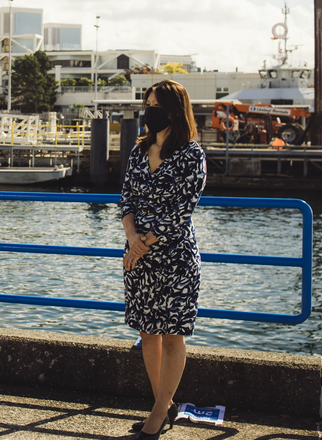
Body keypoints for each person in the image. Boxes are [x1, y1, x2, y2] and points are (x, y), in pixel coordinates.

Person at [119, 79, 206, 440]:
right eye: (147, 103)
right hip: (139, 258)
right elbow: (126, 200)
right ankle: (162, 403)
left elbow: (182, 210)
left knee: (171, 335)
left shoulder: (191, 154)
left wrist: (144, 242)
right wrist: (131, 238)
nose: (149, 111)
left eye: (156, 105)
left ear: (174, 110)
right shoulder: (139, 151)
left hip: (174, 259)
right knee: (147, 332)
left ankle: (158, 412)